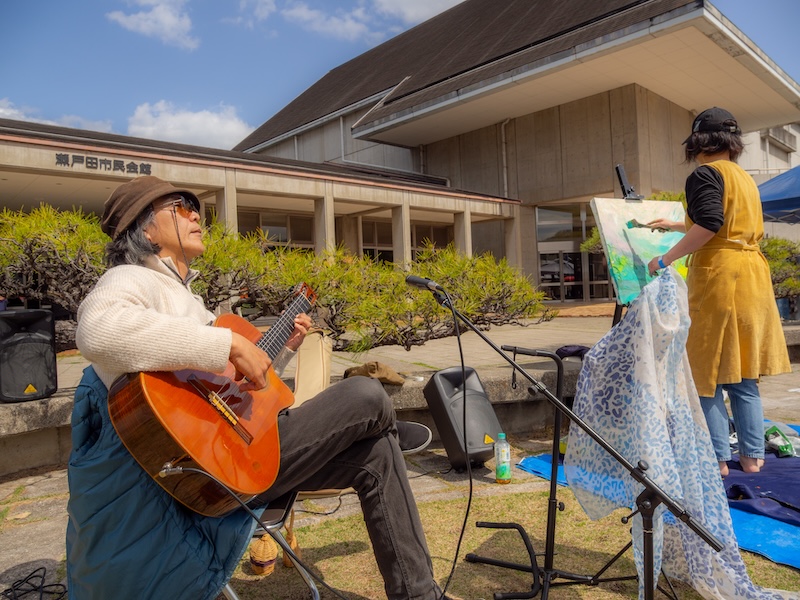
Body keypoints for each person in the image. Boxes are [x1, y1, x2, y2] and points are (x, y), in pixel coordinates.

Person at [66, 175, 451, 600]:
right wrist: (228, 342)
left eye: (195, 207)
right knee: (367, 395)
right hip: (203, 466)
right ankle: (386, 428)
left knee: (377, 455)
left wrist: (279, 350)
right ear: (144, 228)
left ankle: (419, 594)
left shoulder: (191, 301)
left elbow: (231, 392)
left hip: (232, 453)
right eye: (179, 206)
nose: (196, 214)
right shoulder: (131, 278)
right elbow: (98, 332)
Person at [646, 107, 791, 477]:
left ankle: (717, 461)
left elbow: (710, 225)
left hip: (720, 279)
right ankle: (752, 458)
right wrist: (677, 225)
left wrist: (664, 260)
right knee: (743, 374)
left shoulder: (704, 175)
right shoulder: (743, 178)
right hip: (752, 277)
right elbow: (725, 224)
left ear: (698, 143)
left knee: (704, 371)